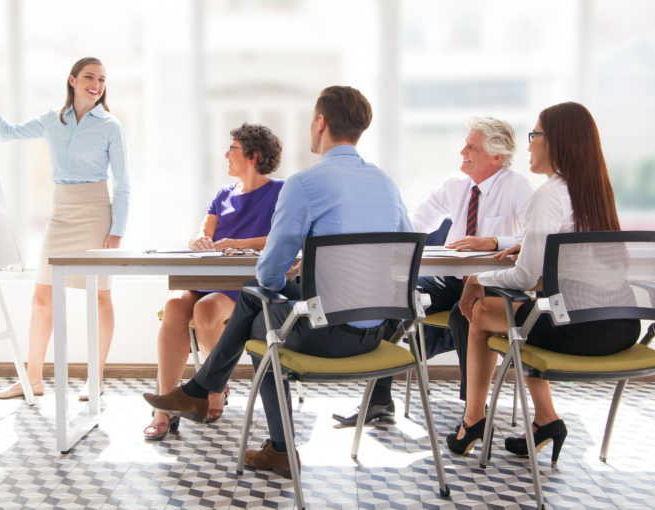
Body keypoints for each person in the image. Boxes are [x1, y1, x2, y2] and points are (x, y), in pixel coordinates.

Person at [144, 85, 411, 476]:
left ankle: (225, 407)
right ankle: (206, 395)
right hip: (377, 334)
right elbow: (401, 259)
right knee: (258, 304)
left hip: (324, 335)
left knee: (259, 308)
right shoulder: (386, 184)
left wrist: (291, 271)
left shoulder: (304, 184)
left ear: (320, 123)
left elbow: (269, 274)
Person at [446, 102, 640, 463]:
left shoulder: (549, 194)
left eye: (535, 135)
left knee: (480, 311)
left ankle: (472, 421)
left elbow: (522, 277)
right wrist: (535, 250)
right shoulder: (596, 190)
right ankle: (546, 420)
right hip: (623, 326)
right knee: (522, 319)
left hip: (578, 330)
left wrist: (476, 278)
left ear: (557, 141)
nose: (530, 144)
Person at [334, 117, 533, 427]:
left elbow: (535, 239)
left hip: (493, 284)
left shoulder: (517, 187)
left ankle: (474, 415)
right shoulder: (455, 183)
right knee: (395, 297)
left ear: (496, 157)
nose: (462, 151)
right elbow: (417, 224)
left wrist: (494, 241)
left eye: (471, 147)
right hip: (452, 280)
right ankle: (379, 401)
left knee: (466, 314)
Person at [0, 57, 130, 401]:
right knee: (42, 297)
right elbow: (7, 133)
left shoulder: (111, 126)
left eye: (101, 79)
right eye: (89, 76)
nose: (96, 84)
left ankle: (96, 379)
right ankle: (33, 379)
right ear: (72, 80)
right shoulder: (51, 120)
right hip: (61, 213)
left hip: (96, 213)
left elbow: (123, 184)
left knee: (100, 297)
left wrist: (117, 231)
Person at [145, 123, 284, 441]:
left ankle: (213, 385)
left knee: (206, 309)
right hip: (206, 276)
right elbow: (202, 231)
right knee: (175, 305)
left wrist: (241, 242)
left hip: (244, 285)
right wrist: (200, 241)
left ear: (253, 155)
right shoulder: (223, 194)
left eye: (232, 149)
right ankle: (164, 408)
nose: (226, 154)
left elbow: (283, 237)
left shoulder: (280, 191)